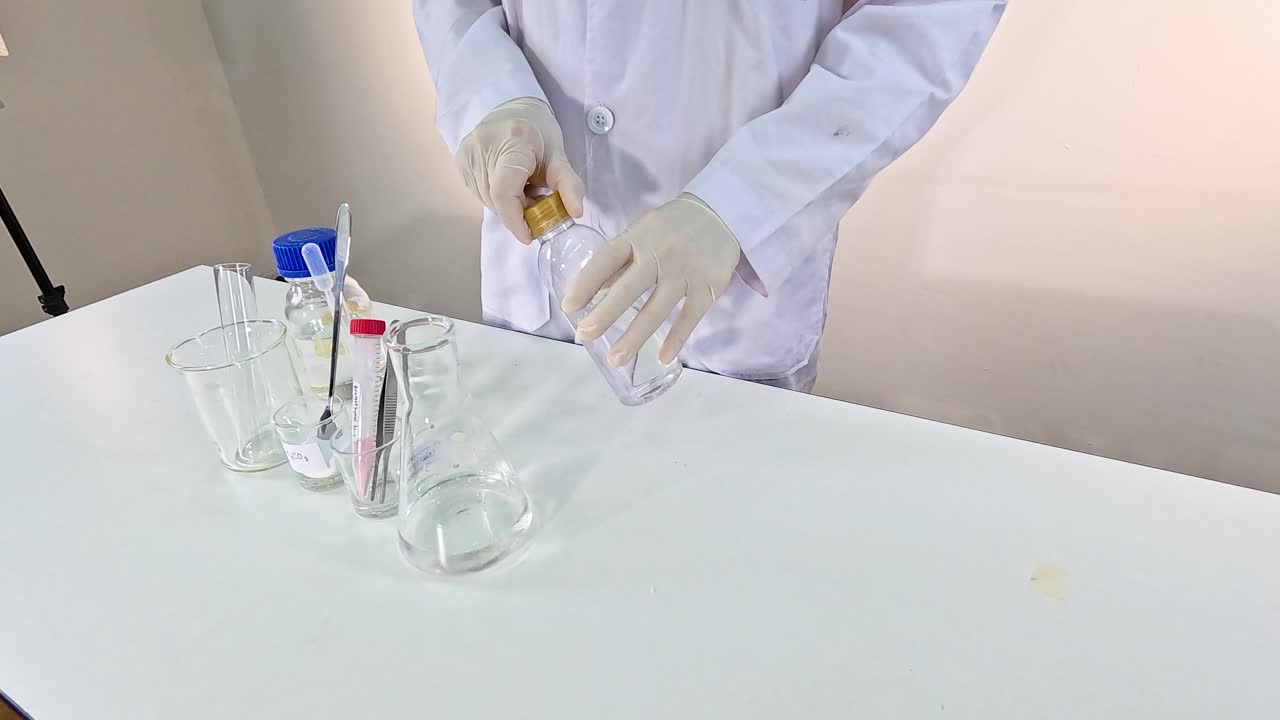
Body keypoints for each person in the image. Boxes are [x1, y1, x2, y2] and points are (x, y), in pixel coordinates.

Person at [414, 1, 1006, 392]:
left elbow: (926, 23)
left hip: (734, 304)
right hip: (537, 278)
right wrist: (492, 94)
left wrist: (742, 201)